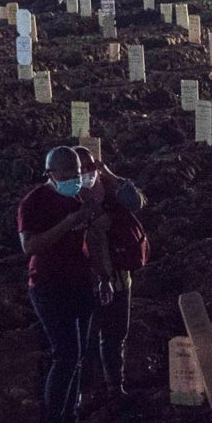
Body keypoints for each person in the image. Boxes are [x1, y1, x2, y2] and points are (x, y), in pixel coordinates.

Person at [16, 148, 107, 423]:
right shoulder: (34, 203)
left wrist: (102, 276)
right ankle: (54, 422)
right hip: (48, 286)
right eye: (67, 176)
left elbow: (90, 239)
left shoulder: (80, 197)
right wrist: (69, 221)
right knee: (66, 353)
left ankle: (72, 415)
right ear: (51, 174)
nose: (74, 181)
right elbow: (30, 247)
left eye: (77, 175)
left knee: (81, 353)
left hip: (81, 284)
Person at [77, 150, 149, 397]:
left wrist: (109, 174)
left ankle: (114, 387)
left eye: (91, 167)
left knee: (116, 333)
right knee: (86, 338)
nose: (87, 173)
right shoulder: (70, 198)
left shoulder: (110, 190)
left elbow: (136, 202)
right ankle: (85, 392)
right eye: (81, 168)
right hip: (85, 281)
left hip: (119, 277)